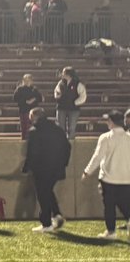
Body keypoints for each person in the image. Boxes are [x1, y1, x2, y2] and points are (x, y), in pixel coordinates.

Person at [82, 112, 130, 240]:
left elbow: (97, 157)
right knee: (125, 204)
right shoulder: (128, 137)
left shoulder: (106, 137)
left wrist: (87, 171)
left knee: (109, 206)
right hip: (126, 178)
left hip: (108, 178)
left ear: (112, 122)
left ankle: (111, 231)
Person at [23, 107, 71, 233]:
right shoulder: (58, 129)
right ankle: (56, 214)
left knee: (43, 195)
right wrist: (64, 163)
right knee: (48, 191)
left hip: (41, 169)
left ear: (35, 117)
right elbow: (67, 147)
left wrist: (27, 167)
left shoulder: (34, 131)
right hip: (56, 168)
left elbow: (32, 152)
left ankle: (46, 224)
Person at [53, 66, 86, 142]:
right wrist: (57, 96)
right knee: (60, 126)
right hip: (61, 107)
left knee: (71, 127)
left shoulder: (78, 84)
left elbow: (83, 95)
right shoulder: (61, 83)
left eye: (64, 73)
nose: (62, 74)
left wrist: (75, 102)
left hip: (73, 109)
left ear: (68, 74)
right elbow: (56, 91)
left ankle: (71, 142)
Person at [13, 74, 42, 140]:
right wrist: (25, 101)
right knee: (24, 127)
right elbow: (15, 98)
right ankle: (24, 140)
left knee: (30, 127)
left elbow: (40, 98)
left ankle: (30, 140)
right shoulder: (20, 89)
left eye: (29, 80)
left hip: (32, 111)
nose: (28, 81)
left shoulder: (34, 89)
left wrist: (34, 99)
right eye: (26, 80)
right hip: (23, 110)